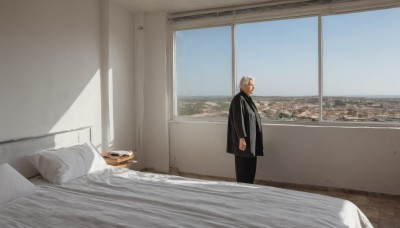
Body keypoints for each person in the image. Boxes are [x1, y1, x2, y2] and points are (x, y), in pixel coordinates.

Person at [227, 76, 264, 184]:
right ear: (244, 86)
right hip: (244, 142)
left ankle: (249, 189)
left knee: (250, 169)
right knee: (243, 169)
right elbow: (238, 120)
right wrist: (241, 138)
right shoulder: (238, 99)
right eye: (252, 85)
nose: (254, 87)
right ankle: (242, 192)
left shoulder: (247, 99)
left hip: (251, 142)